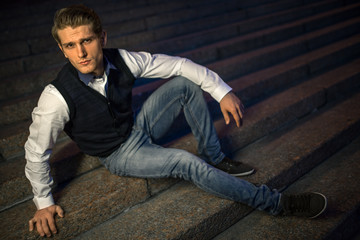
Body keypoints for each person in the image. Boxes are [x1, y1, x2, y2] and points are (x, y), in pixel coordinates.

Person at [25, 5, 327, 238]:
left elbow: (180, 65)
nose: (80, 53)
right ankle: (276, 204)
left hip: (138, 128)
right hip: (118, 154)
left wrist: (221, 92)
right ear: (62, 49)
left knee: (185, 84)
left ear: (102, 38)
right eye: (70, 45)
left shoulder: (123, 59)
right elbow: (36, 150)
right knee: (186, 162)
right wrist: (43, 201)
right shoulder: (56, 97)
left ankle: (214, 156)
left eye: (87, 41)